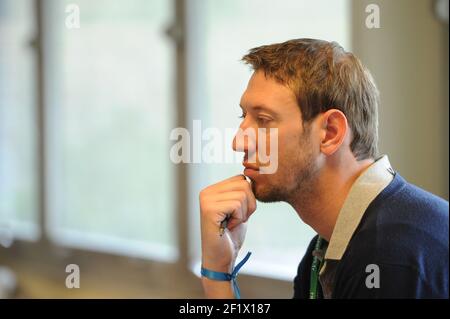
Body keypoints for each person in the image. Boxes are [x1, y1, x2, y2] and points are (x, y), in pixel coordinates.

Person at [199, 39, 449, 299]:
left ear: (330, 133)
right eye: (244, 118)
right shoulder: (324, 252)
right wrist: (219, 271)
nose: (238, 142)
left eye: (263, 120)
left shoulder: (389, 259)